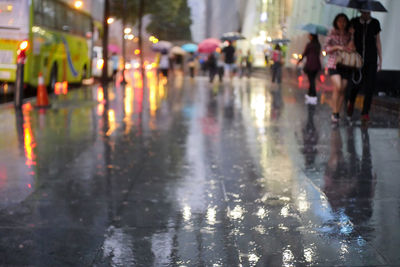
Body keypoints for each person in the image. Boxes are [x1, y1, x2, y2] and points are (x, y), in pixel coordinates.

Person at [346, 10, 382, 122]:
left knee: (370, 86)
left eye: (368, 12)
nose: (366, 14)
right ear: (361, 11)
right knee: (356, 84)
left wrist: (381, 59)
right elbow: (349, 44)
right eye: (364, 12)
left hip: (371, 58)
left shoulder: (375, 23)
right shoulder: (354, 22)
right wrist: (351, 35)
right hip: (357, 58)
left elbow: (378, 42)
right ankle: (351, 101)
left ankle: (365, 112)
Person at [324, 13, 354, 123]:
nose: (342, 23)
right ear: (336, 22)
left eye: (344, 21)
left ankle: (336, 112)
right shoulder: (332, 33)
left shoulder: (348, 34)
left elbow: (352, 48)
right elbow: (326, 49)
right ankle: (334, 112)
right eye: (340, 21)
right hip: (334, 64)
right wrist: (337, 47)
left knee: (342, 90)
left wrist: (353, 36)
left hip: (346, 64)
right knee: (339, 86)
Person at [297, 34, 322, 105]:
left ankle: (313, 95)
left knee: (311, 81)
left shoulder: (309, 44)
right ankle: (310, 95)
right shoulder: (318, 45)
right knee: (312, 80)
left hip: (310, 64)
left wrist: (299, 61)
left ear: (312, 36)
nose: (308, 36)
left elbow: (304, 53)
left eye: (309, 35)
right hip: (317, 64)